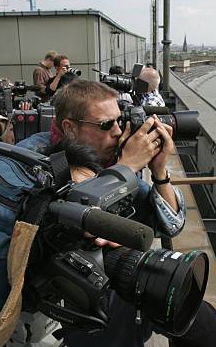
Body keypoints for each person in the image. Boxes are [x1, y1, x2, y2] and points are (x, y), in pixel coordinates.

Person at [39, 137, 216, 347]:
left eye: (99, 213)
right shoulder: (21, 263)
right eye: (74, 214)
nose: (91, 229)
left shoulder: (120, 286)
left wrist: (138, 271)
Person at [18, 79, 185, 237]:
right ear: (70, 129)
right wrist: (125, 168)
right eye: (106, 124)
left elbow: (170, 226)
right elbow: (66, 229)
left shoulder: (108, 160)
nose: (118, 132)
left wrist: (159, 171)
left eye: (119, 121)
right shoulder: (30, 159)